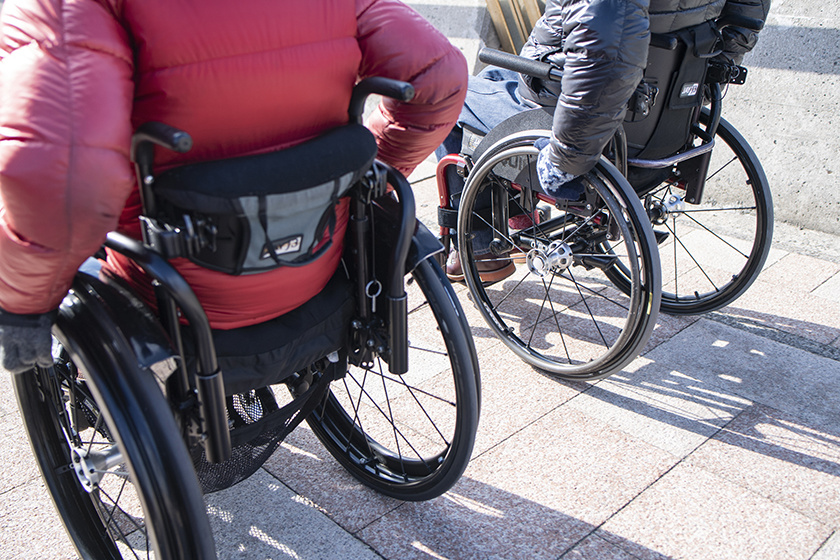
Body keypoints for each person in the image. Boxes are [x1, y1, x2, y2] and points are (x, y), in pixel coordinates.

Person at [0, 0, 468, 373]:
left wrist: (23, 305)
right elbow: (439, 77)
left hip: (177, 294)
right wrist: (360, 183)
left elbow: (60, 177)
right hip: (317, 256)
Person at [441, 0, 771, 282]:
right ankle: (517, 215)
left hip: (568, 104)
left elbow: (602, 55)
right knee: (495, 76)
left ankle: (480, 245)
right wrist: (711, 73)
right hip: (659, 116)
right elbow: (745, 13)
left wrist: (565, 158)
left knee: (444, 91)